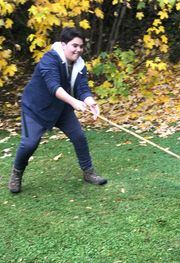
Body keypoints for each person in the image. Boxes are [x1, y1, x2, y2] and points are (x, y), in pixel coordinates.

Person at [9, 27, 107, 193]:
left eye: (81, 46)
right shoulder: (49, 60)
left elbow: (82, 87)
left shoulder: (80, 64)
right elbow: (53, 86)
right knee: (29, 143)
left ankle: (88, 173)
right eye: (74, 45)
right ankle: (16, 174)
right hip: (35, 107)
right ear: (63, 44)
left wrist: (90, 101)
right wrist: (74, 102)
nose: (78, 50)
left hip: (60, 108)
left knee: (79, 137)